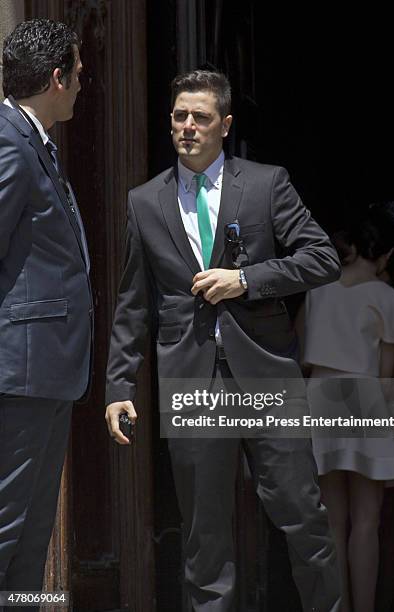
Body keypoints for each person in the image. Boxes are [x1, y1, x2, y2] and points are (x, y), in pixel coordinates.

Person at [105, 69, 341, 612]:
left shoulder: (265, 183)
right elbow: (133, 302)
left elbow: (321, 257)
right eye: (179, 116)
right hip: (191, 378)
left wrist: (247, 279)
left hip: (265, 375)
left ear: (225, 125)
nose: (187, 127)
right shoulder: (144, 202)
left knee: (303, 516)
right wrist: (120, 383)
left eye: (201, 117)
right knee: (203, 536)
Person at [0, 19, 92, 602]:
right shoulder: (8, 141)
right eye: (79, 74)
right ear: (56, 79)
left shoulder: (32, 138)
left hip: (47, 373)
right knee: (8, 527)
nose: (83, 85)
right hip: (21, 373)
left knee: (32, 536)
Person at [301, 202, 394, 612]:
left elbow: (306, 358)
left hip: (321, 397)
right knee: (367, 520)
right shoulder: (388, 300)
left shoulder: (317, 289)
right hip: (364, 400)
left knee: (331, 519)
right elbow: (384, 377)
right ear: (385, 255)